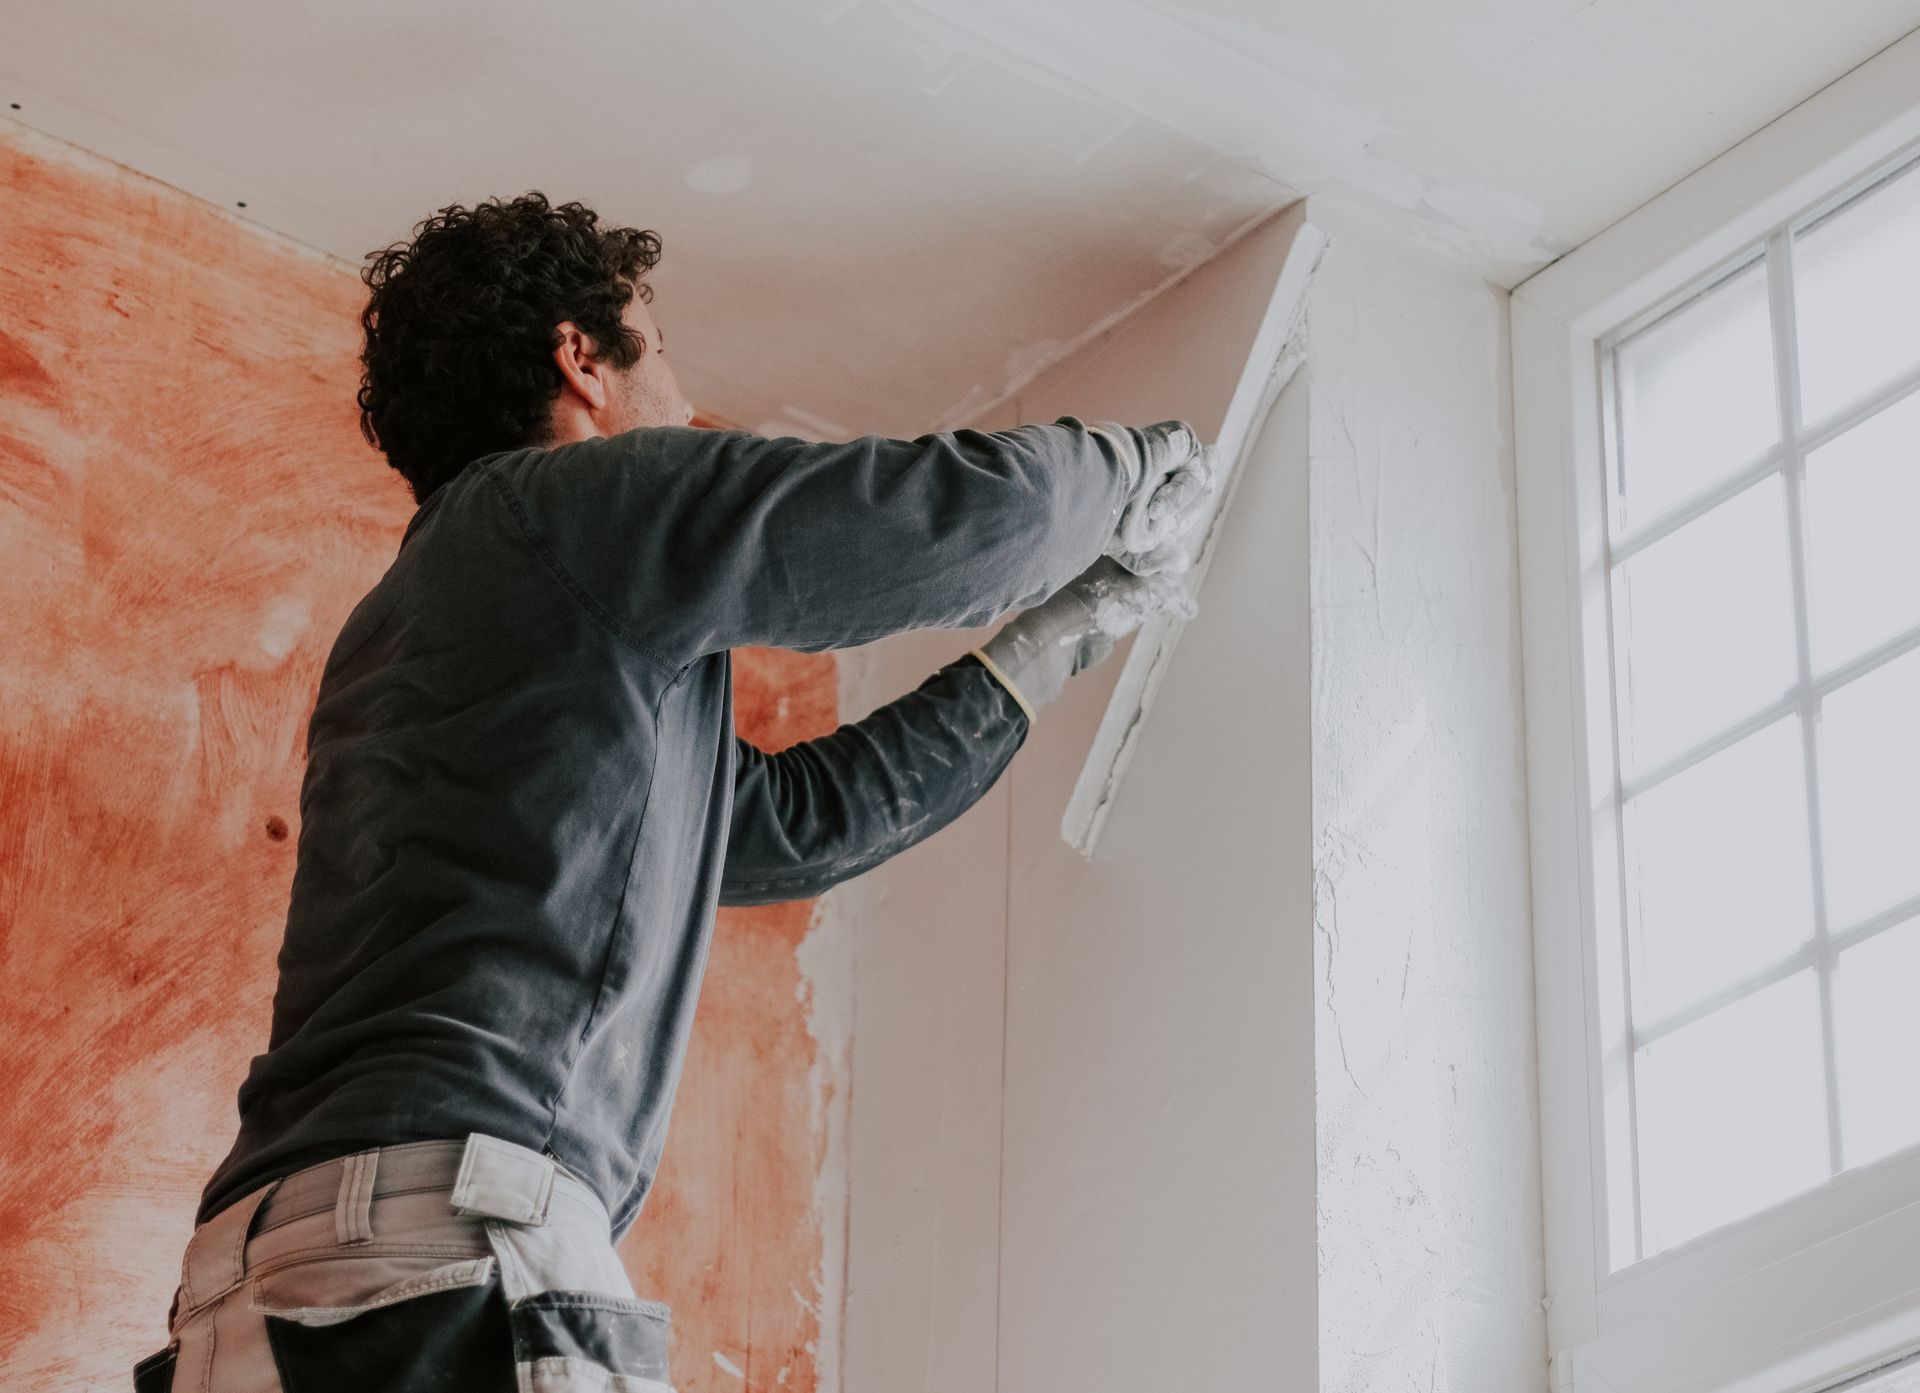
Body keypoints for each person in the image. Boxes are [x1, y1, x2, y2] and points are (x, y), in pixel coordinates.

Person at [137, 193, 1211, 1393]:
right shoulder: (567, 510)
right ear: (580, 357)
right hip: (445, 1249)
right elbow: (958, 521)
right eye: (664, 350)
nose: (683, 398)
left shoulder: (418, 627)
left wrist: (1064, 632)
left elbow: (788, 827)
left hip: (251, 1295)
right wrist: (1148, 467)